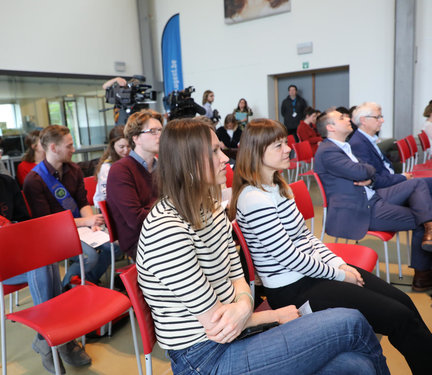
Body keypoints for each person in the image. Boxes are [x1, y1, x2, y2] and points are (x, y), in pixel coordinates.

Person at [137, 118, 389, 375]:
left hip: (238, 334)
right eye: (214, 151)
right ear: (186, 164)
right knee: (352, 322)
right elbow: (217, 323)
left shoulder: (210, 209)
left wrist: (243, 306)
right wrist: (273, 316)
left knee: (358, 366)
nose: (225, 159)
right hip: (205, 357)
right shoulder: (166, 231)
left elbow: (237, 275)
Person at [230, 118, 432, 374]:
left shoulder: (278, 187)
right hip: (292, 288)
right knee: (399, 318)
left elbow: (306, 237)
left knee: (404, 302)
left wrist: (339, 264)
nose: (287, 149)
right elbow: (288, 257)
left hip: (312, 274)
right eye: (278, 145)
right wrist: (339, 274)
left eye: (285, 143)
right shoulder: (254, 199)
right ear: (257, 152)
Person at [0, 127, 90, 374]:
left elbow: (25, 223)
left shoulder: (6, 183)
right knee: (40, 263)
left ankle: (47, 338)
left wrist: (16, 242)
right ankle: (60, 337)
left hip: (17, 255)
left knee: (44, 260)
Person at [314, 110, 432, 292]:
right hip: (361, 209)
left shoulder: (342, 146)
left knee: (418, 184)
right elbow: (364, 171)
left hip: (372, 196)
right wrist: (367, 173)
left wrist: (367, 174)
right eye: (342, 118)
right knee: (421, 218)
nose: (348, 119)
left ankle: (429, 227)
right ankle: (422, 277)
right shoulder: (328, 151)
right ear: (330, 127)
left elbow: (369, 172)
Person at [23, 125, 111, 286]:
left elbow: (82, 202)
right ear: (53, 148)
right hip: (53, 234)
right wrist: (86, 222)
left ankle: (88, 281)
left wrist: (92, 222)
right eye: (69, 146)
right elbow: (47, 222)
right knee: (89, 257)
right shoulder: (34, 180)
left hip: (80, 227)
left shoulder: (74, 169)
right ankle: (67, 285)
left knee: (113, 246)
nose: (74, 150)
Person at [106, 109, 162, 261]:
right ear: (136, 138)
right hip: (141, 242)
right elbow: (136, 220)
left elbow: (176, 203)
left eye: (161, 130)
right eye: (153, 131)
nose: (160, 135)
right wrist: (168, 209)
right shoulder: (121, 170)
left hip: (165, 232)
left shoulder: (162, 166)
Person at [92, 125, 130, 207]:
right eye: (121, 147)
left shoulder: (131, 161)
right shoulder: (106, 167)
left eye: (128, 146)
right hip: (107, 206)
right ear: (113, 146)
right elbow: (106, 195)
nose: (126, 151)